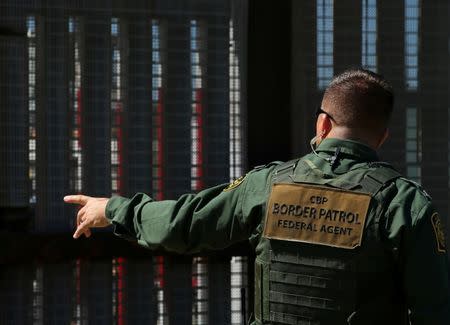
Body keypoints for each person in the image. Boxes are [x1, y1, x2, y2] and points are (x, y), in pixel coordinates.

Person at [64, 69, 450, 324]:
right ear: (382, 137)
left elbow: (185, 222)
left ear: (323, 123)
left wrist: (112, 208)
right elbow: (434, 309)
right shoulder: (405, 204)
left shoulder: (267, 184)